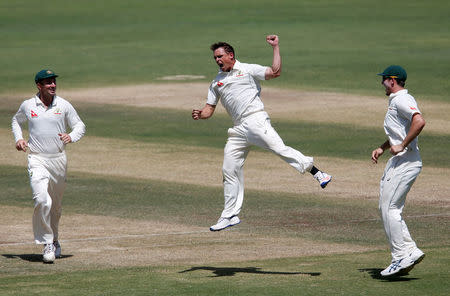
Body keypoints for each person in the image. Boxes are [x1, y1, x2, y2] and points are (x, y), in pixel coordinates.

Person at [192, 35, 332, 232]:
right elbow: (209, 109)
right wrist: (200, 114)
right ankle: (230, 214)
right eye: (215, 58)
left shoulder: (247, 69)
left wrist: (275, 47)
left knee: (279, 149)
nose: (217, 60)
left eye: (220, 56)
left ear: (230, 55)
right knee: (229, 169)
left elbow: (275, 72)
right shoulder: (216, 82)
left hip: (256, 120)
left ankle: (318, 173)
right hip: (239, 128)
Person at [11, 69, 86, 263]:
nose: (52, 85)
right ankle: (47, 243)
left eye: (54, 82)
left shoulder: (63, 105)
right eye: (48, 83)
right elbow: (16, 121)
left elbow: (79, 125)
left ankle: (54, 238)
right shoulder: (28, 105)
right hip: (37, 159)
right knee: (42, 200)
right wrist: (19, 139)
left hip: (58, 159)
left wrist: (71, 136)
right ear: (39, 85)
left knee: (56, 206)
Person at [372, 65, 426, 277]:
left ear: (392, 80)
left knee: (390, 209)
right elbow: (398, 131)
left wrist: (402, 145)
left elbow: (419, 121)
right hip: (399, 161)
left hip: (406, 162)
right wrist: (383, 147)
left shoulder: (403, 99)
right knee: (386, 208)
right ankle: (410, 250)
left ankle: (400, 256)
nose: (382, 83)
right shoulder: (395, 101)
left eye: (384, 79)